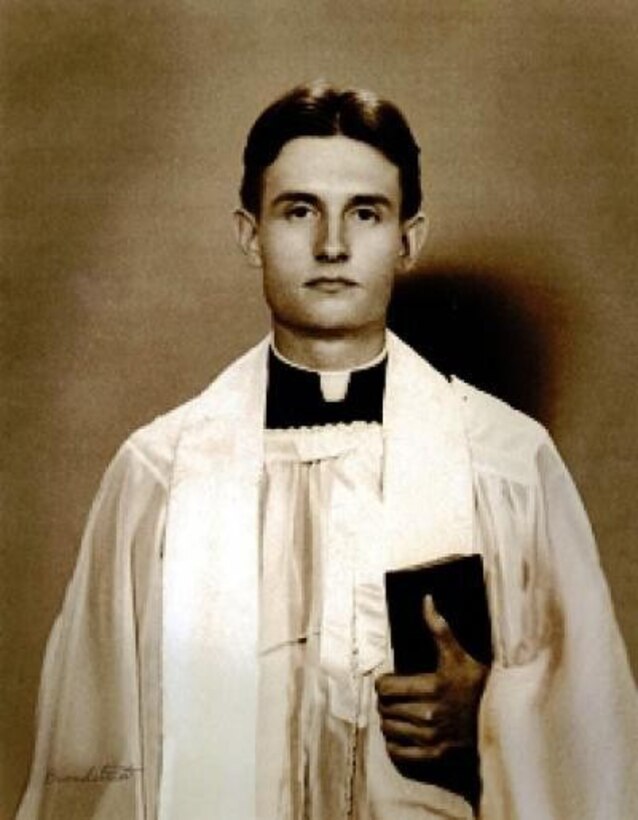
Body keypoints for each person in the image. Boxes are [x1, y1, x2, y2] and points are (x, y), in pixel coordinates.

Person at [17, 81, 638, 820]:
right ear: (251, 235)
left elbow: (598, 741)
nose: (333, 246)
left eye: (366, 213)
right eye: (299, 210)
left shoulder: (505, 464)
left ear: (409, 239)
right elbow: (91, 752)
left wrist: (490, 714)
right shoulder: (160, 474)